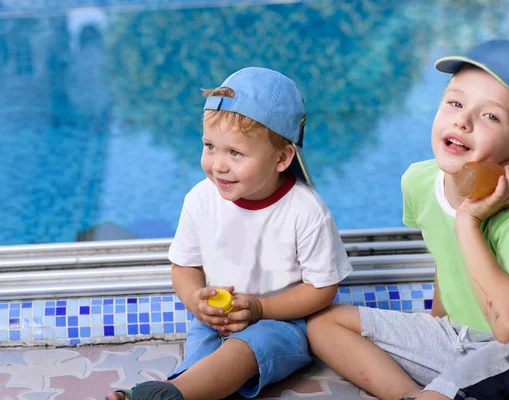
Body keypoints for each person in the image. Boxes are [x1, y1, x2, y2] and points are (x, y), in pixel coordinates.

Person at [306, 39, 509, 400]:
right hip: (461, 334)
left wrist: (468, 223)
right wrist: (434, 327)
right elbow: (446, 258)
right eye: (455, 102)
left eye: (490, 116)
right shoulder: (420, 181)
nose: (463, 120)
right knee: (323, 324)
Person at [107, 67, 353, 400]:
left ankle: (169, 394)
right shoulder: (200, 198)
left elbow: (323, 289)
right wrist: (196, 301)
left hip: (286, 322)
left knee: (251, 346)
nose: (218, 164)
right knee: (200, 351)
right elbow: (185, 267)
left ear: (281, 157)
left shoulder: (306, 211)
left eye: (235, 153)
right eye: (210, 146)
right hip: (218, 318)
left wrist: (261, 309)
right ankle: (174, 389)